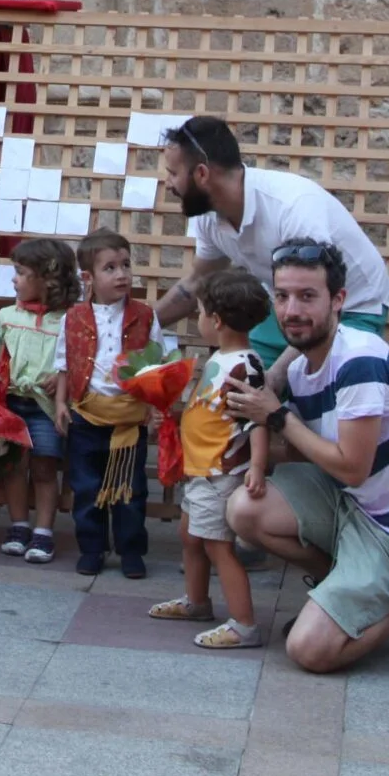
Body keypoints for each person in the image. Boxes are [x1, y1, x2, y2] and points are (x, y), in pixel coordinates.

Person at [228, 240, 389, 674]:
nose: (291, 311)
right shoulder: (304, 367)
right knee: (245, 508)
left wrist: (278, 417)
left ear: (338, 300)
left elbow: (352, 467)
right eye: (282, 296)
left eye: (307, 296)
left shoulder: (358, 359)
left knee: (309, 652)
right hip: (353, 503)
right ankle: (344, 589)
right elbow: (310, 448)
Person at [154, 114, 389, 367]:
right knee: (240, 380)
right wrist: (137, 324)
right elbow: (196, 282)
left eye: (172, 173)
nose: (168, 183)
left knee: (301, 389)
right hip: (287, 304)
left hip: (350, 307)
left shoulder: (292, 208)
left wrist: (277, 376)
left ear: (201, 174)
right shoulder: (209, 217)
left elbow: (320, 298)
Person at [149, 269, 272, 651]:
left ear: (215, 320)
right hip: (201, 470)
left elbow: (258, 419)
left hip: (221, 472)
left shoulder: (243, 366)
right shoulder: (224, 357)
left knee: (218, 546)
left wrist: (255, 465)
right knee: (191, 536)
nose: (198, 319)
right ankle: (197, 602)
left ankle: (244, 625)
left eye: (200, 312)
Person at [61, 230, 156, 579]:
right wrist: (61, 404)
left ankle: (131, 551)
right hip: (86, 415)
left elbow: (155, 365)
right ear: (88, 277)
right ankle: (92, 548)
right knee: (86, 488)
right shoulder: (73, 318)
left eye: (126, 265)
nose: (122, 274)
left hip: (129, 419)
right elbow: (63, 364)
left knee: (131, 491)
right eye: (110, 267)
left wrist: (155, 406)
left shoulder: (145, 315)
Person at [0, 243, 67, 563]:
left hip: (44, 405)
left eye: (20, 273)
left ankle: (43, 531)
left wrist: (62, 377)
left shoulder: (67, 321)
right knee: (13, 466)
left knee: (45, 466)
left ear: (48, 279)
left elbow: (76, 358)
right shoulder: (6, 316)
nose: (13, 280)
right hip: (10, 402)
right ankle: (18, 524)